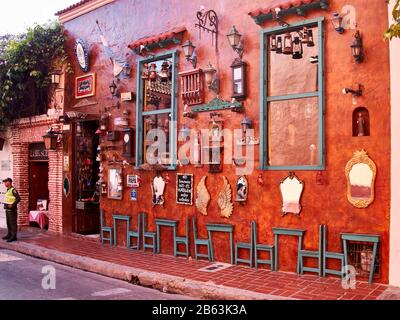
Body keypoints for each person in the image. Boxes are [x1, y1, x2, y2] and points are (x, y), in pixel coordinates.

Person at [2, 178, 21, 242]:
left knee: (13, 223)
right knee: (8, 223)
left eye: (6, 182)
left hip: (12, 210)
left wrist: (12, 205)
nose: (5, 183)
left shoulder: (13, 190)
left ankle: (13, 236)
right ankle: (9, 234)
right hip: (7, 209)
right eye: (4, 182)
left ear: (9, 182)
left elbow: (18, 198)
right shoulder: (8, 190)